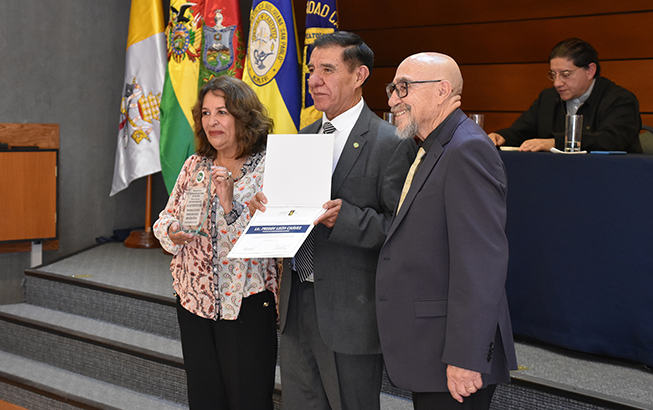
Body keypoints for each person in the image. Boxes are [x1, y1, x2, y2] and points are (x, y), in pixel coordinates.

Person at [250, 31, 416, 410]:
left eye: (327, 70)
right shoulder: (302, 138)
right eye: (311, 70)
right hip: (296, 304)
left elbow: (401, 229)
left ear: (359, 75)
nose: (314, 80)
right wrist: (268, 210)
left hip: (350, 312)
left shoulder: (391, 142)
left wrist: (346, 219)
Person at [377, 52, 518, 410]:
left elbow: (481, 265)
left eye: (404, 88)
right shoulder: (435, 145)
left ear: (442, 90)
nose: (392, 100)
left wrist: (467, 357)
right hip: (430, 347)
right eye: (393, 89)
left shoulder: (467, 149)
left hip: (454, 356)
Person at [153, 76, 278, 410]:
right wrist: (172, 231)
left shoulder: (267, 168)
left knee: (249, 399)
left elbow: (267, 241)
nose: (212, 122)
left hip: (246, 304)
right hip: (194, 301)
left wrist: (229, 205)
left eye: (222, 112)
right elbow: (164, 220)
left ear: (244, 116)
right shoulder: (195, 165)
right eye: (206, 113)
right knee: (205, 398)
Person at [487, 38, 642, 152]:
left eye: (565, 74)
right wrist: (501, 137)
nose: (557, 83)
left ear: (590, 71)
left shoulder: (620, 100)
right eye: (553, 74)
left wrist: (555, 142)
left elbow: (610, 140)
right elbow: (520, 131)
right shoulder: (547, 98)